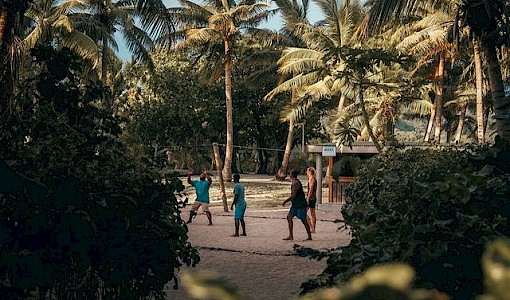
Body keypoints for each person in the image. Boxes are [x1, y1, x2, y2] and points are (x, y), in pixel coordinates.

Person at [282, 169, 312, 241]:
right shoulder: (294, 182)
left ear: (291, 175)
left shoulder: (296, 183)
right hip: (295, 204)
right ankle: (291, 235)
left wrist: (285, 201)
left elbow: (293, 195)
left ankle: (309, 236)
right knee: (289, 217)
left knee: (303, 220)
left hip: (300, 204)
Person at [306, 167, 318, 233]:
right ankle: (313, 228)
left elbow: (311, 189)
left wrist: (308, 198)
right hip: (313, 197)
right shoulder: (314, 179)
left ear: (310, 172)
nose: (306, 173)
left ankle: (311, 227)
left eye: (307, 171)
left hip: (311, 197)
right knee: (313, 214)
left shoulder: (311, 179)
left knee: (304, 212)